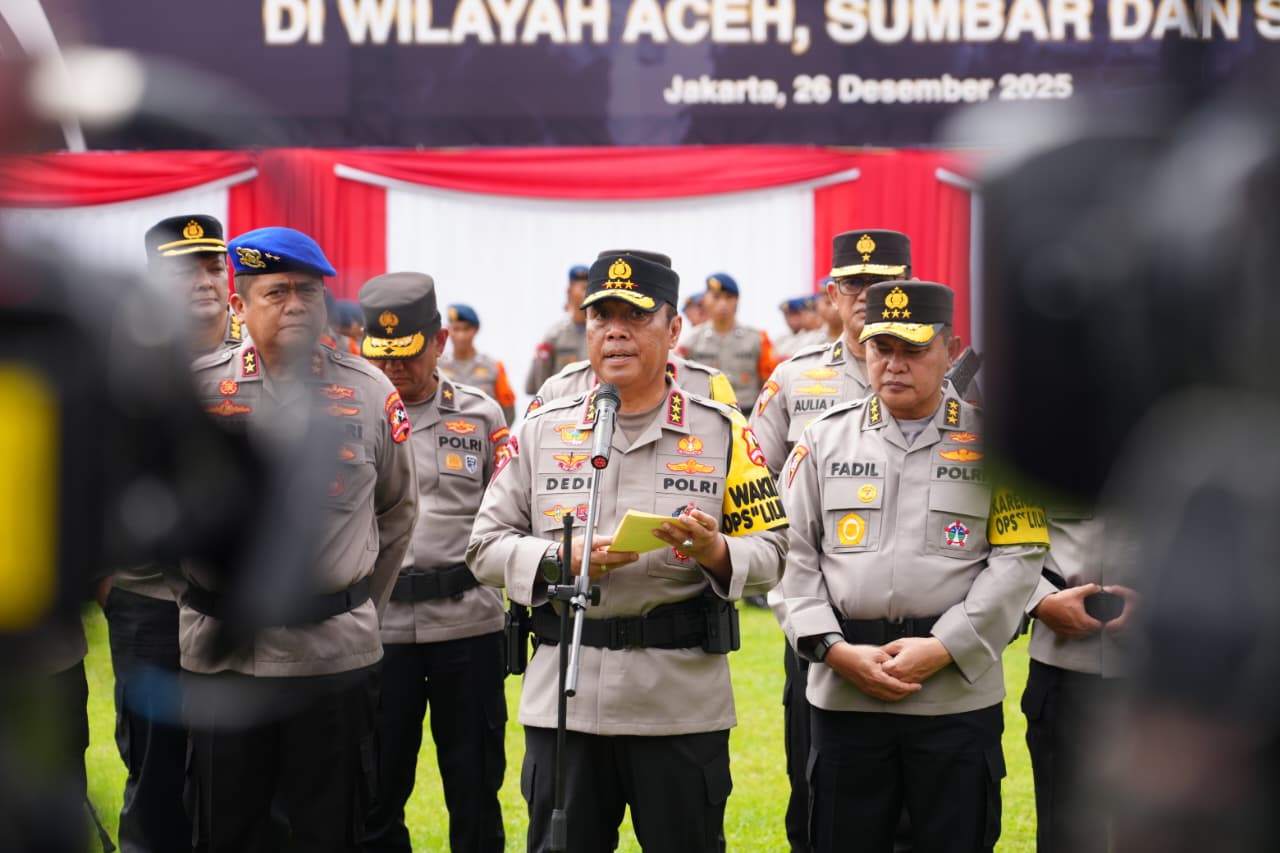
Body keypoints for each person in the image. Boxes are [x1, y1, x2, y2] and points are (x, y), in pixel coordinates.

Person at [468, 249, 788, 853]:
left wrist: (716, 550)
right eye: (601, 317)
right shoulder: (543, 427)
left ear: (674, 329)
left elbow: (773, 551)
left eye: (635, 316)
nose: (614, 331)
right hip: (566, 704)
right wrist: (560, 560)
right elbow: (484, 546)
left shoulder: (723, 430)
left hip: (678, 705)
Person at [778, 280, 1048, 853]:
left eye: (913, 349)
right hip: (846, 690)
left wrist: (945, 646)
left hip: (953, 696)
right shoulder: (823, 440)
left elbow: (1019, 559)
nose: (893, 364)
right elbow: (791, 553)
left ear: (951, 351)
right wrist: (833, 650)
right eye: (882, 348)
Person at [180, 226, 417, 853]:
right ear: (238, 305)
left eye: (308, 292)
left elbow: (397, 513)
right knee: (225, 832)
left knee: (329, 830)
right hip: (223, 662)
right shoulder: (196, 391)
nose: (295, 306)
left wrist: (351, 606)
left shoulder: (369, 391)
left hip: (332, 661)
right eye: (277, 292)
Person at [749, 229, 911, 853]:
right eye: (854, 283)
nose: (867, 294)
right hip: (819, 625)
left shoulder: (949, 377)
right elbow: (750, 481)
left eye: (882, 282)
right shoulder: (795, 379)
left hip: (924, 628)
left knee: (924, 804)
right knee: (817, 792)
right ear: (832, 293)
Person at [95, 214, 235, 853]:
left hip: (239, 606)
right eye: (185, 269)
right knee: (155, 770)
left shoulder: (264, 360)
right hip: (148, 602)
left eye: (213, 265)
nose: (203, 280)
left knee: (241, 776)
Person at [357, 274, 510, 853]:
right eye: (381, 354)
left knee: (474, 788)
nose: (393, 367)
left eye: (407, 353)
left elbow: (510, 510)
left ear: (440, 341)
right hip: (381, 629)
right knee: (375, 788)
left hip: (467, 625)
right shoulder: (350, 414)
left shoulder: (481, 415)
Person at [1023, 509, 1136, 853]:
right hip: (1062, 665)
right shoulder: (1037, 468)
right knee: (1065, 835)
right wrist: (1038, 598)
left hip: (1167, 669)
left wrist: (1167, 602)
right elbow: (1000, 534)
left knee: (1168, 830)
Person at [678, 272, 777, 407]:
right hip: (706, 413)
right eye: (716, 297)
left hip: (746, 414)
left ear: (737, 301)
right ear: (705, 300)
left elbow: (770, 384)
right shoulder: (692, 341)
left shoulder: (758, 339)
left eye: (729, 297)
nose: (723, 304)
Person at [439, 302, 518, 424]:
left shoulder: (493, 367)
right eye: (456, 329)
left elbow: (508, 409)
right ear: (448, 330)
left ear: (476, 330)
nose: (461, 336)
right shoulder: (437, 366)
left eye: (466, 329)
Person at [523, 264, 590, 395]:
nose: (588, 293)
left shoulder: (603, 333)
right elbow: (534, 385)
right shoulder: (555, 336)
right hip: (562, 404)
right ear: (570, 291)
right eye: (583, 288)